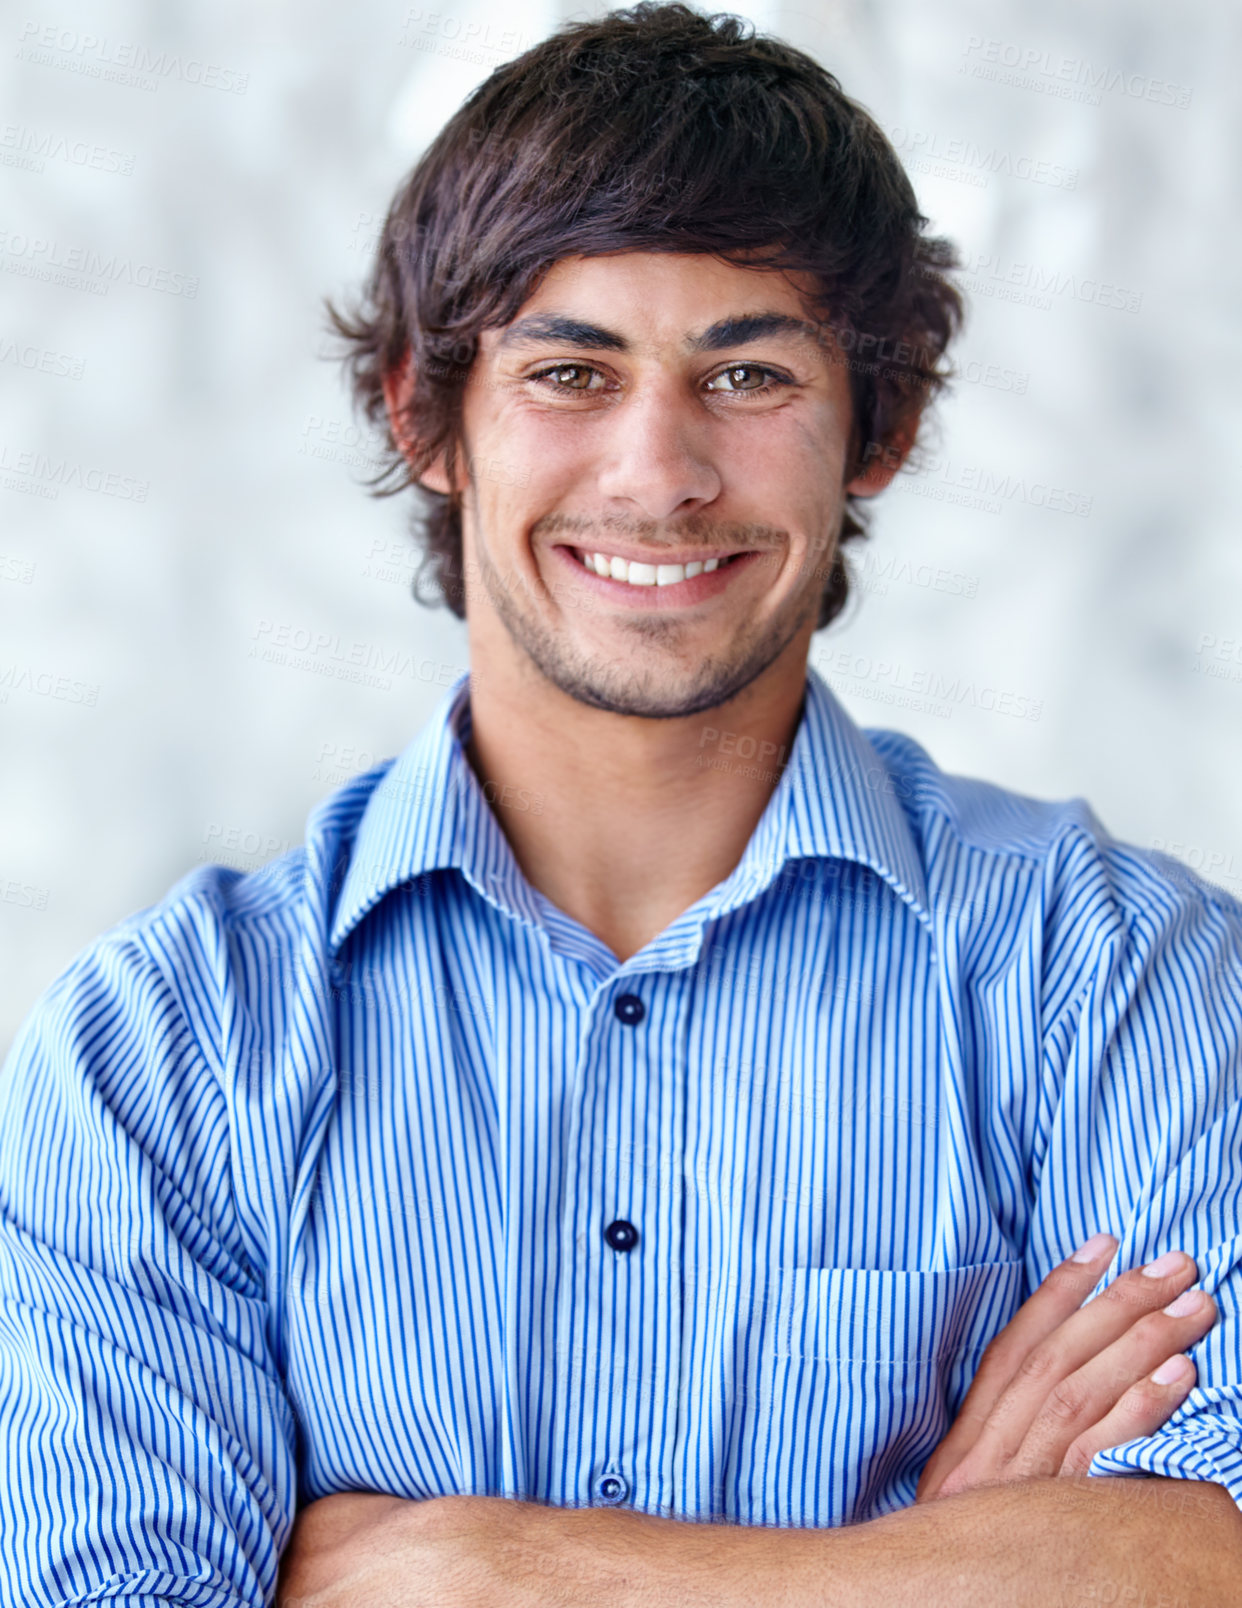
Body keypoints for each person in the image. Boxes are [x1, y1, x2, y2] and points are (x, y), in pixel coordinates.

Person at [3, 4, 1241, 1604]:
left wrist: (456, 1566)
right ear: (418, 412)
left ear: (884, 426)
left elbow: (1201, 1567)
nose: (657, 473)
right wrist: (942, 1561)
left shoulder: (1122, 979)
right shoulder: (161, 1051)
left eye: (746, 373)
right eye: (569, 371)